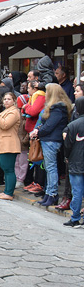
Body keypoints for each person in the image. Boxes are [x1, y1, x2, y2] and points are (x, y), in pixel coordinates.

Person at [30, 83, 72, 207]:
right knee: (49, 168)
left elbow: (50, 126)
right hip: (49, 139)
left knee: (51, 168)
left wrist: (38, 131)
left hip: (51, 140)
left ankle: (52, 194)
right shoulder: (56, 107)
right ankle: (48, 193)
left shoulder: (58, 108)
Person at [0, 92, 21, 200]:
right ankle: (6, 191)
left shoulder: (14, 112)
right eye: (5, 99)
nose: (6, 101)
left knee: (9, 169)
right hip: (1, 144)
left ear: (14, 100)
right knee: (5, 169)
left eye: (9, 99)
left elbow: (4, 124)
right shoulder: (5, 111)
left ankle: (9, 193)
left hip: (8, 144)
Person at [62, 96, 84, 227]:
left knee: (77, 192)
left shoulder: (73, 125)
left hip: (76, 162)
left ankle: (75, 218)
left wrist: (67, 157)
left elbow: (67, 146)